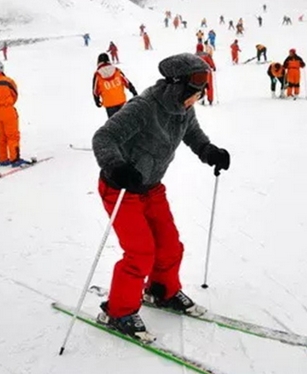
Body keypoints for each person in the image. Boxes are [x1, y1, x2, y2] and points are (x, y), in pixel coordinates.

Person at [91, 53, 231, 339]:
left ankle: (161, 291)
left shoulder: (182, 107)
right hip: (121, 188)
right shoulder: (144, 107)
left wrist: (209, 152)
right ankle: (117, 312)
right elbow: (104, 138)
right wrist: (116, 166)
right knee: (140, 252)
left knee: (169, 245)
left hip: (151, 187)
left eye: (201, 93)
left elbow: (193, 135)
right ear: (176, 86)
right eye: (195, 93)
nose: (198, 99)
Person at [93, 53, 138, 118]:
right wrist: (134, 92)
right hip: (121, 101)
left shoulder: (97, 75)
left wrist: (97, 100)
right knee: (125, 120)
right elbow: (127, 82)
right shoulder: (116, 70)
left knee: (115, 124)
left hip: (109, 104)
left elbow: (95, 91)